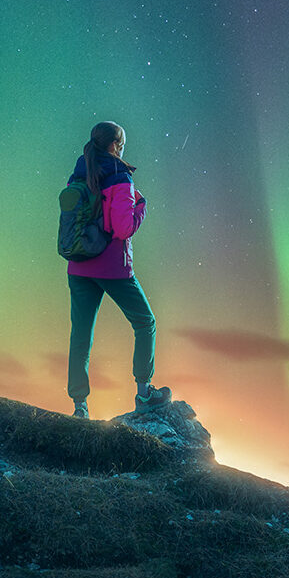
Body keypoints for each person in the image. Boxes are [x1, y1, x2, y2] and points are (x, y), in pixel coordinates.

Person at [66, 121, 170, 419]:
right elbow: (123, 228)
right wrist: (141, 207)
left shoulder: (78, 173)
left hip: (78, 265)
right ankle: (144, 392)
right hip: (112, 267)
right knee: (145, 322)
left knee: (81, 334)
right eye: (121, 144)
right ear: (114, 146)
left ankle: (79, 406)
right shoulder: (119, 175)